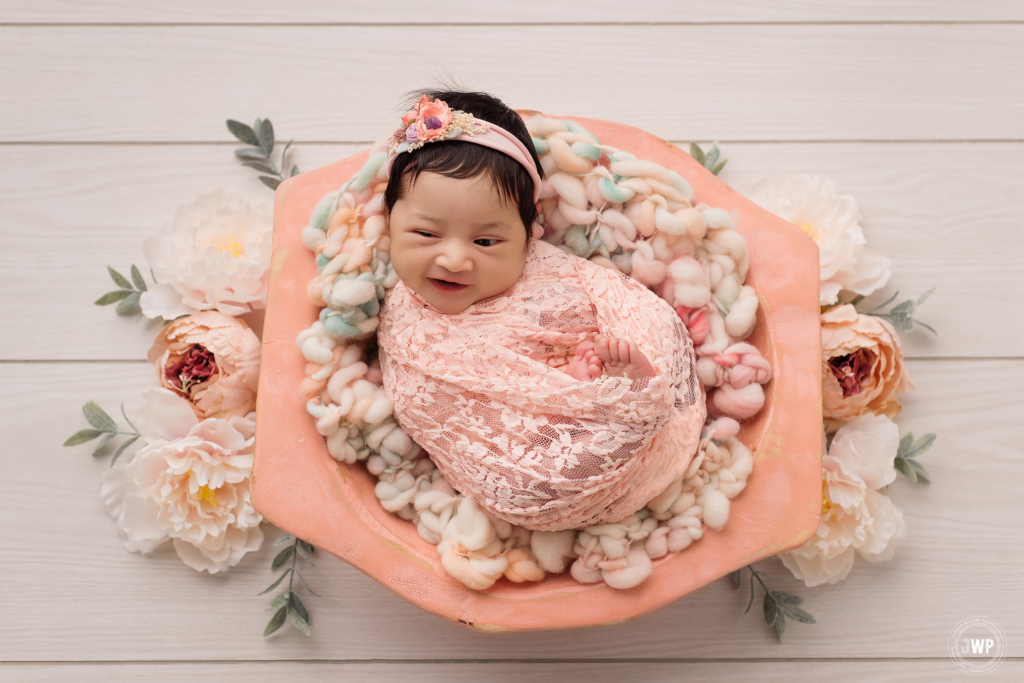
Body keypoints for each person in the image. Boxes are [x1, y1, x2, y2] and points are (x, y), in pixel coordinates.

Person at [376, 88, 705, 532]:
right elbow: (443, 415)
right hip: (530, 456)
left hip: (606, 389)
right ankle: (611, 409)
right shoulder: (405, 329)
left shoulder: (549, 269)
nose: (454, 260)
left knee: (650, 325)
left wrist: (597, 376)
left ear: (531, 229)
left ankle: (625, 398)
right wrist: (560, 404)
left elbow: (622, 300)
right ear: (389, 216)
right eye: (426, 234)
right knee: (519, 489)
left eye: (487, 241)